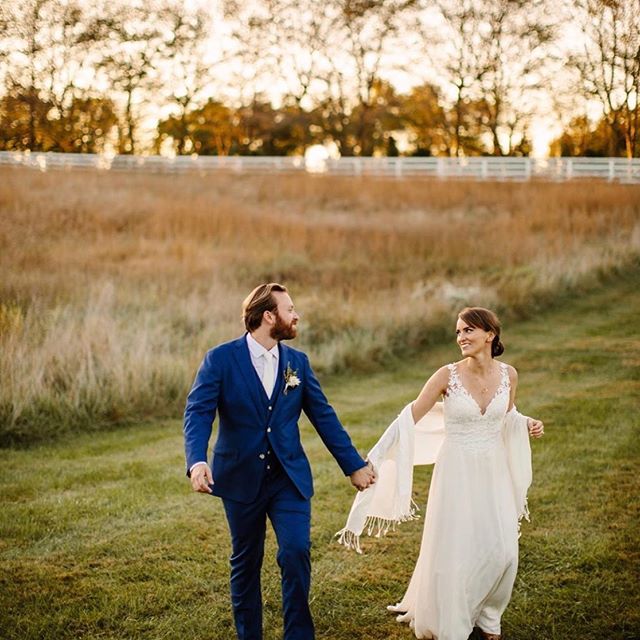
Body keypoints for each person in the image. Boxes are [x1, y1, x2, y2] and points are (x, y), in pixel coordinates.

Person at [338, 306, 544, 640]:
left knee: (503, 547)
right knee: (459, 545)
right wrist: (374, 456)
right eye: (458, 332)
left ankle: (489, 614)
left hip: (493, 469)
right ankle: (455, 620)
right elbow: (410, 417)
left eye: (468, 331)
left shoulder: (510, 374)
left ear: (490, 334)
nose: (461, 337)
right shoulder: (446, 376)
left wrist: (526, 423)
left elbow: (507, 415)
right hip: (456, 470)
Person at [183, 282, 375, 640]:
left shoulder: (297, 363)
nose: (296, 315)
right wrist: (197, 461)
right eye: (290, 309)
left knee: (296, 551)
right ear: (268, 316)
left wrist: (354, 465)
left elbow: (324, 416)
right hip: (240, 479)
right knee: (246, 561)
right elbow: (198, 412)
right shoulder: (220, 359)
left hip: (289, 478)